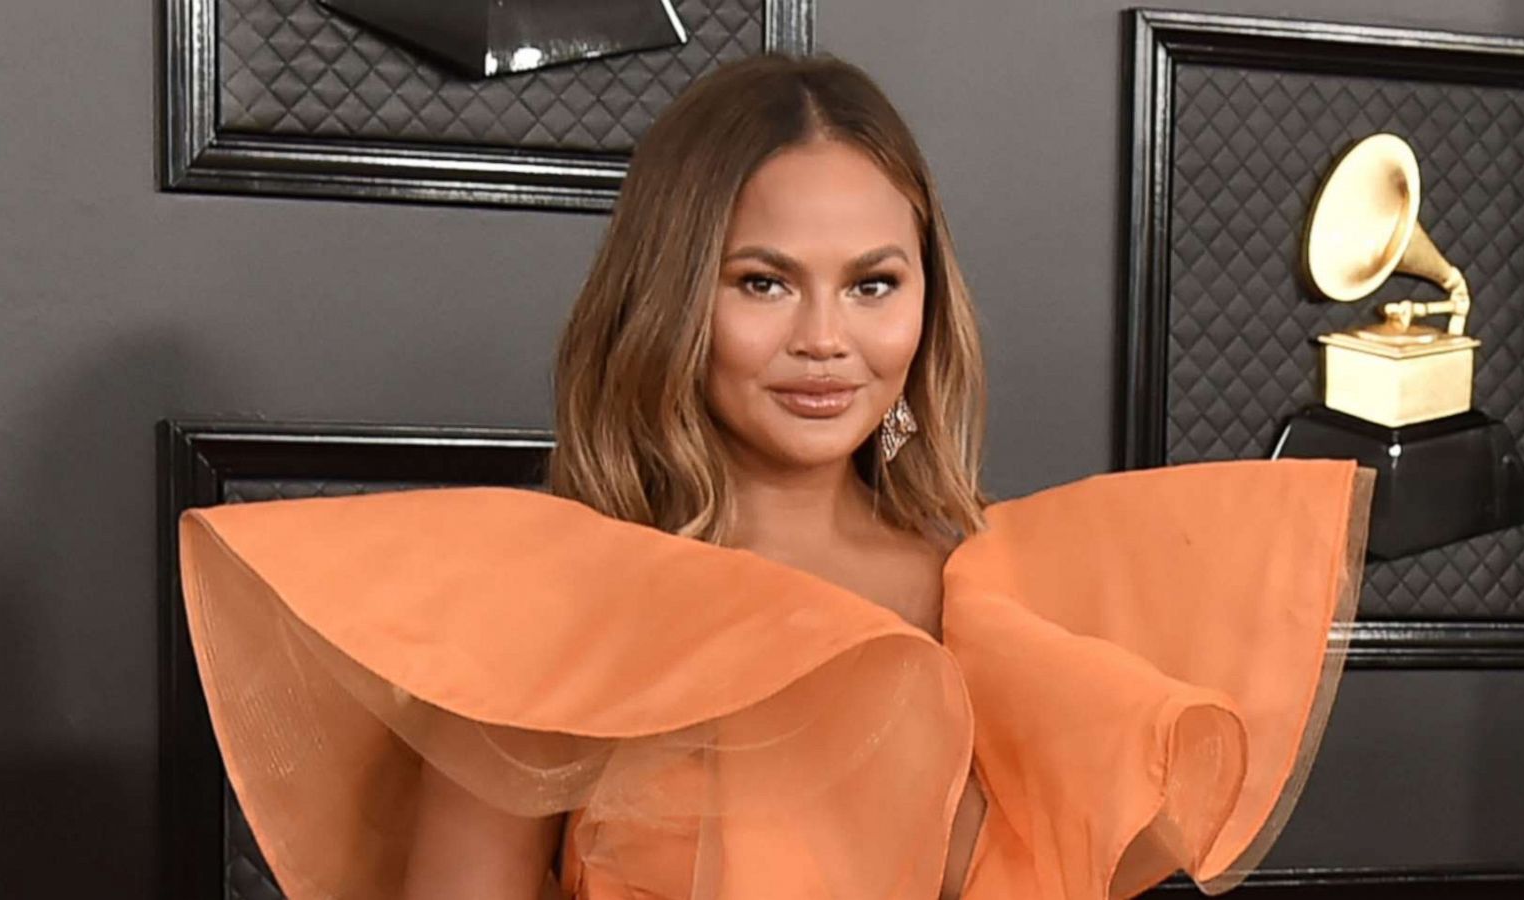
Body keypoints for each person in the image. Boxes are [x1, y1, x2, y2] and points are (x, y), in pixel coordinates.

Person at [175, 52, 1375, 900]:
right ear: (670, 297)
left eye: (870, 282)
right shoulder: (549, 608)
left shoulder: (999, 591)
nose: (825, 340)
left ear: (926, 299)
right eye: (762, 281)